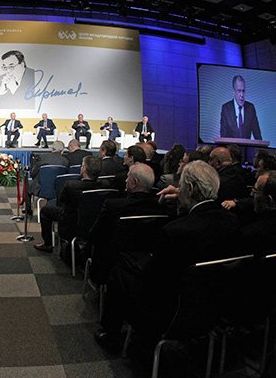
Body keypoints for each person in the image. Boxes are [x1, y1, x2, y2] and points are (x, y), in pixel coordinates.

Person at [96, 161, 242, 353]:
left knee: (122, 269)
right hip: (213, 308)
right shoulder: (233, 222)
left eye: (181, 186)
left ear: (189, 189)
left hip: (168, 311)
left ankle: (111, 335)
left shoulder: (175, 232)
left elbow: (153, 279)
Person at [35, 155, 103, 253]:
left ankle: (48, 244)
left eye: (82, 166)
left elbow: (60, 202)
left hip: (71, 223)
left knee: (45, 211)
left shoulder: (71, 185)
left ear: (84, 169)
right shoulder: (105, 185)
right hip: (96, 222)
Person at [220, 75, 262, 140]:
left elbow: (258, 136)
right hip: (230, 146)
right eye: (239, 91)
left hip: (247, 146)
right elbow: (223, 137)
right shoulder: (226, 108)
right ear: (234, 92)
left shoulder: (250, 108)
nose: (242, 95)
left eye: (243, 91)